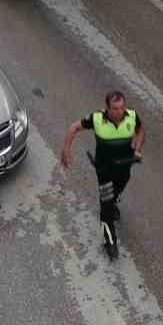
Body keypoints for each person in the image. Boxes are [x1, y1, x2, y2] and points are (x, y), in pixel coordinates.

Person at [59, 91, 144, 225]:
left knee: (121, 184)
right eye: (115, 109)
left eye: (122, 108)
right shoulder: (97, 118)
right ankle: (109, 242)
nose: (119, 112)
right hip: (104, 167)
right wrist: (66, 149)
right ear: (108, 108)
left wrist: (137, 149)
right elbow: (74, 127)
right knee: (106, 205)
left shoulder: (132, 115)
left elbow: (140, 130)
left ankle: (113, 200)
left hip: (125, 164)